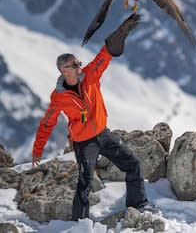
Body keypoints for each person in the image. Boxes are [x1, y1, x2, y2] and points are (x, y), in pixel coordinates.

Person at [31, 13, 148, 221]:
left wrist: (120, 33)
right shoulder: (58, 97)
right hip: (84, 143)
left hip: (104, 135)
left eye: (79, 63)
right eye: (74, 65)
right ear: (63, 70)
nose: (79, 67)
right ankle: (80, 224)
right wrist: (37, 150)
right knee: (85, 183)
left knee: (133, 164)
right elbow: (47, 123)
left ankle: (138, 208)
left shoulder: (90, 75)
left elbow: (104, 55)